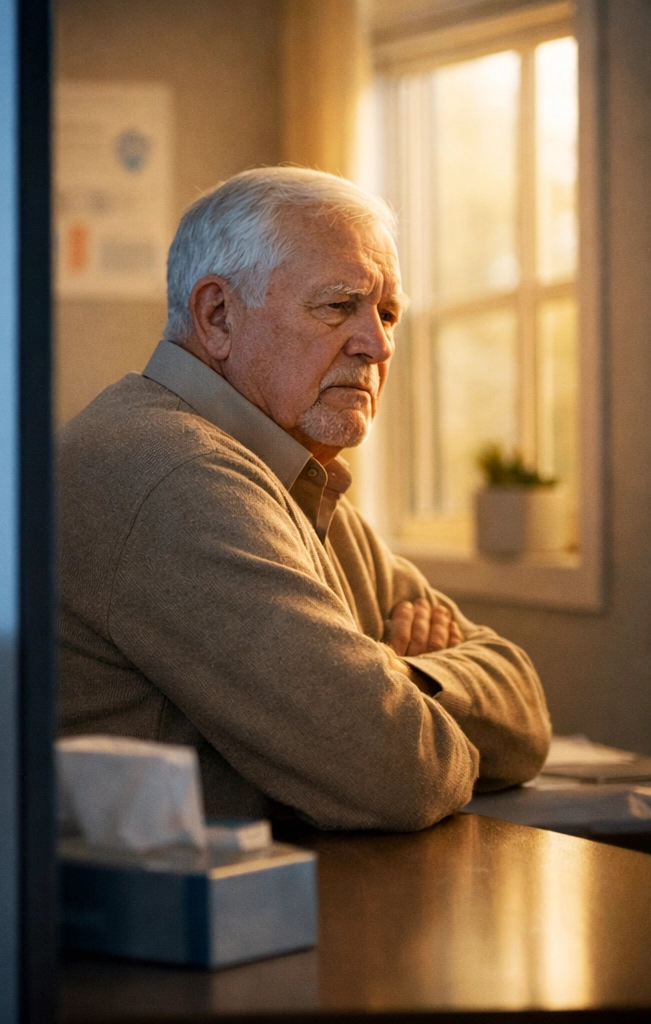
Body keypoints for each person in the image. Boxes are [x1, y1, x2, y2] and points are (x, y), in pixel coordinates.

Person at [58, 167, 551, 832]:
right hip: (157, 927)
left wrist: (405, 681)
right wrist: (398, 689)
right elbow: (398, 772)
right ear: (218, 316)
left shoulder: (292, 474)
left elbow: (525, 708)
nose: (376, 344)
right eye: (337, 306)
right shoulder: (178, 473)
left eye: (388, 313)